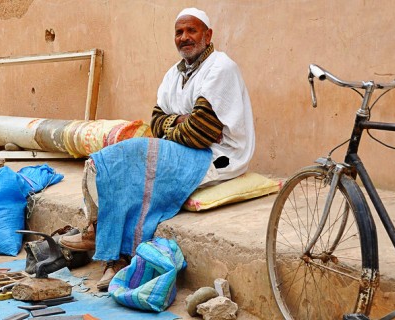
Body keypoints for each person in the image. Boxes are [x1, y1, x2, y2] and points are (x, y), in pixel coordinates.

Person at [59, 7, 255, 291]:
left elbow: (202, 131)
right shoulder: (174, 74)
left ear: (208, 34)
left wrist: (174, 125)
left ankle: (111, 246)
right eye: (179, 32)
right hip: (184, 148)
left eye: (192, 31)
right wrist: (180, 122)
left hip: (217, 154)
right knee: (118, 163)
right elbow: (156, 120)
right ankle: (107, 244)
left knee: (131, 155)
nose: (184, 37)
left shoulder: (220, 67)